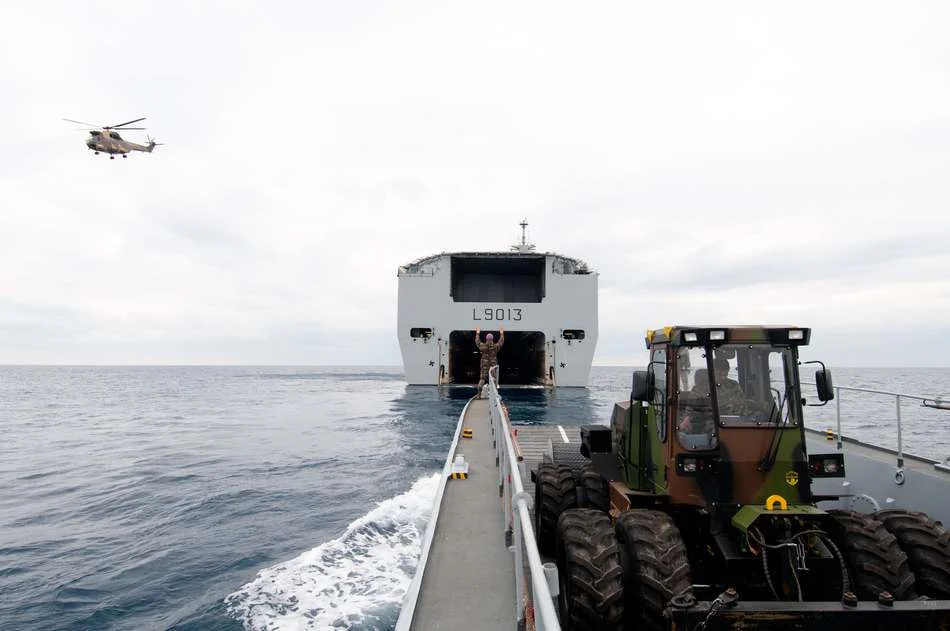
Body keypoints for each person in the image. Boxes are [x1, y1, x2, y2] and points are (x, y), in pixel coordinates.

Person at [474, 326, 505, 398]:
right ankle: (494, 395)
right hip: (492, 366)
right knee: (494, 379)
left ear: (486, 339)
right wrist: (502, 334)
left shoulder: (483, 346)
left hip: (484, 365)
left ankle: (479, 395)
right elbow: (501, 342)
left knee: (482, 379)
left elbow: (477, 342)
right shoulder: (495, 346)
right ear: (492, 339)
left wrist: (477, 333)